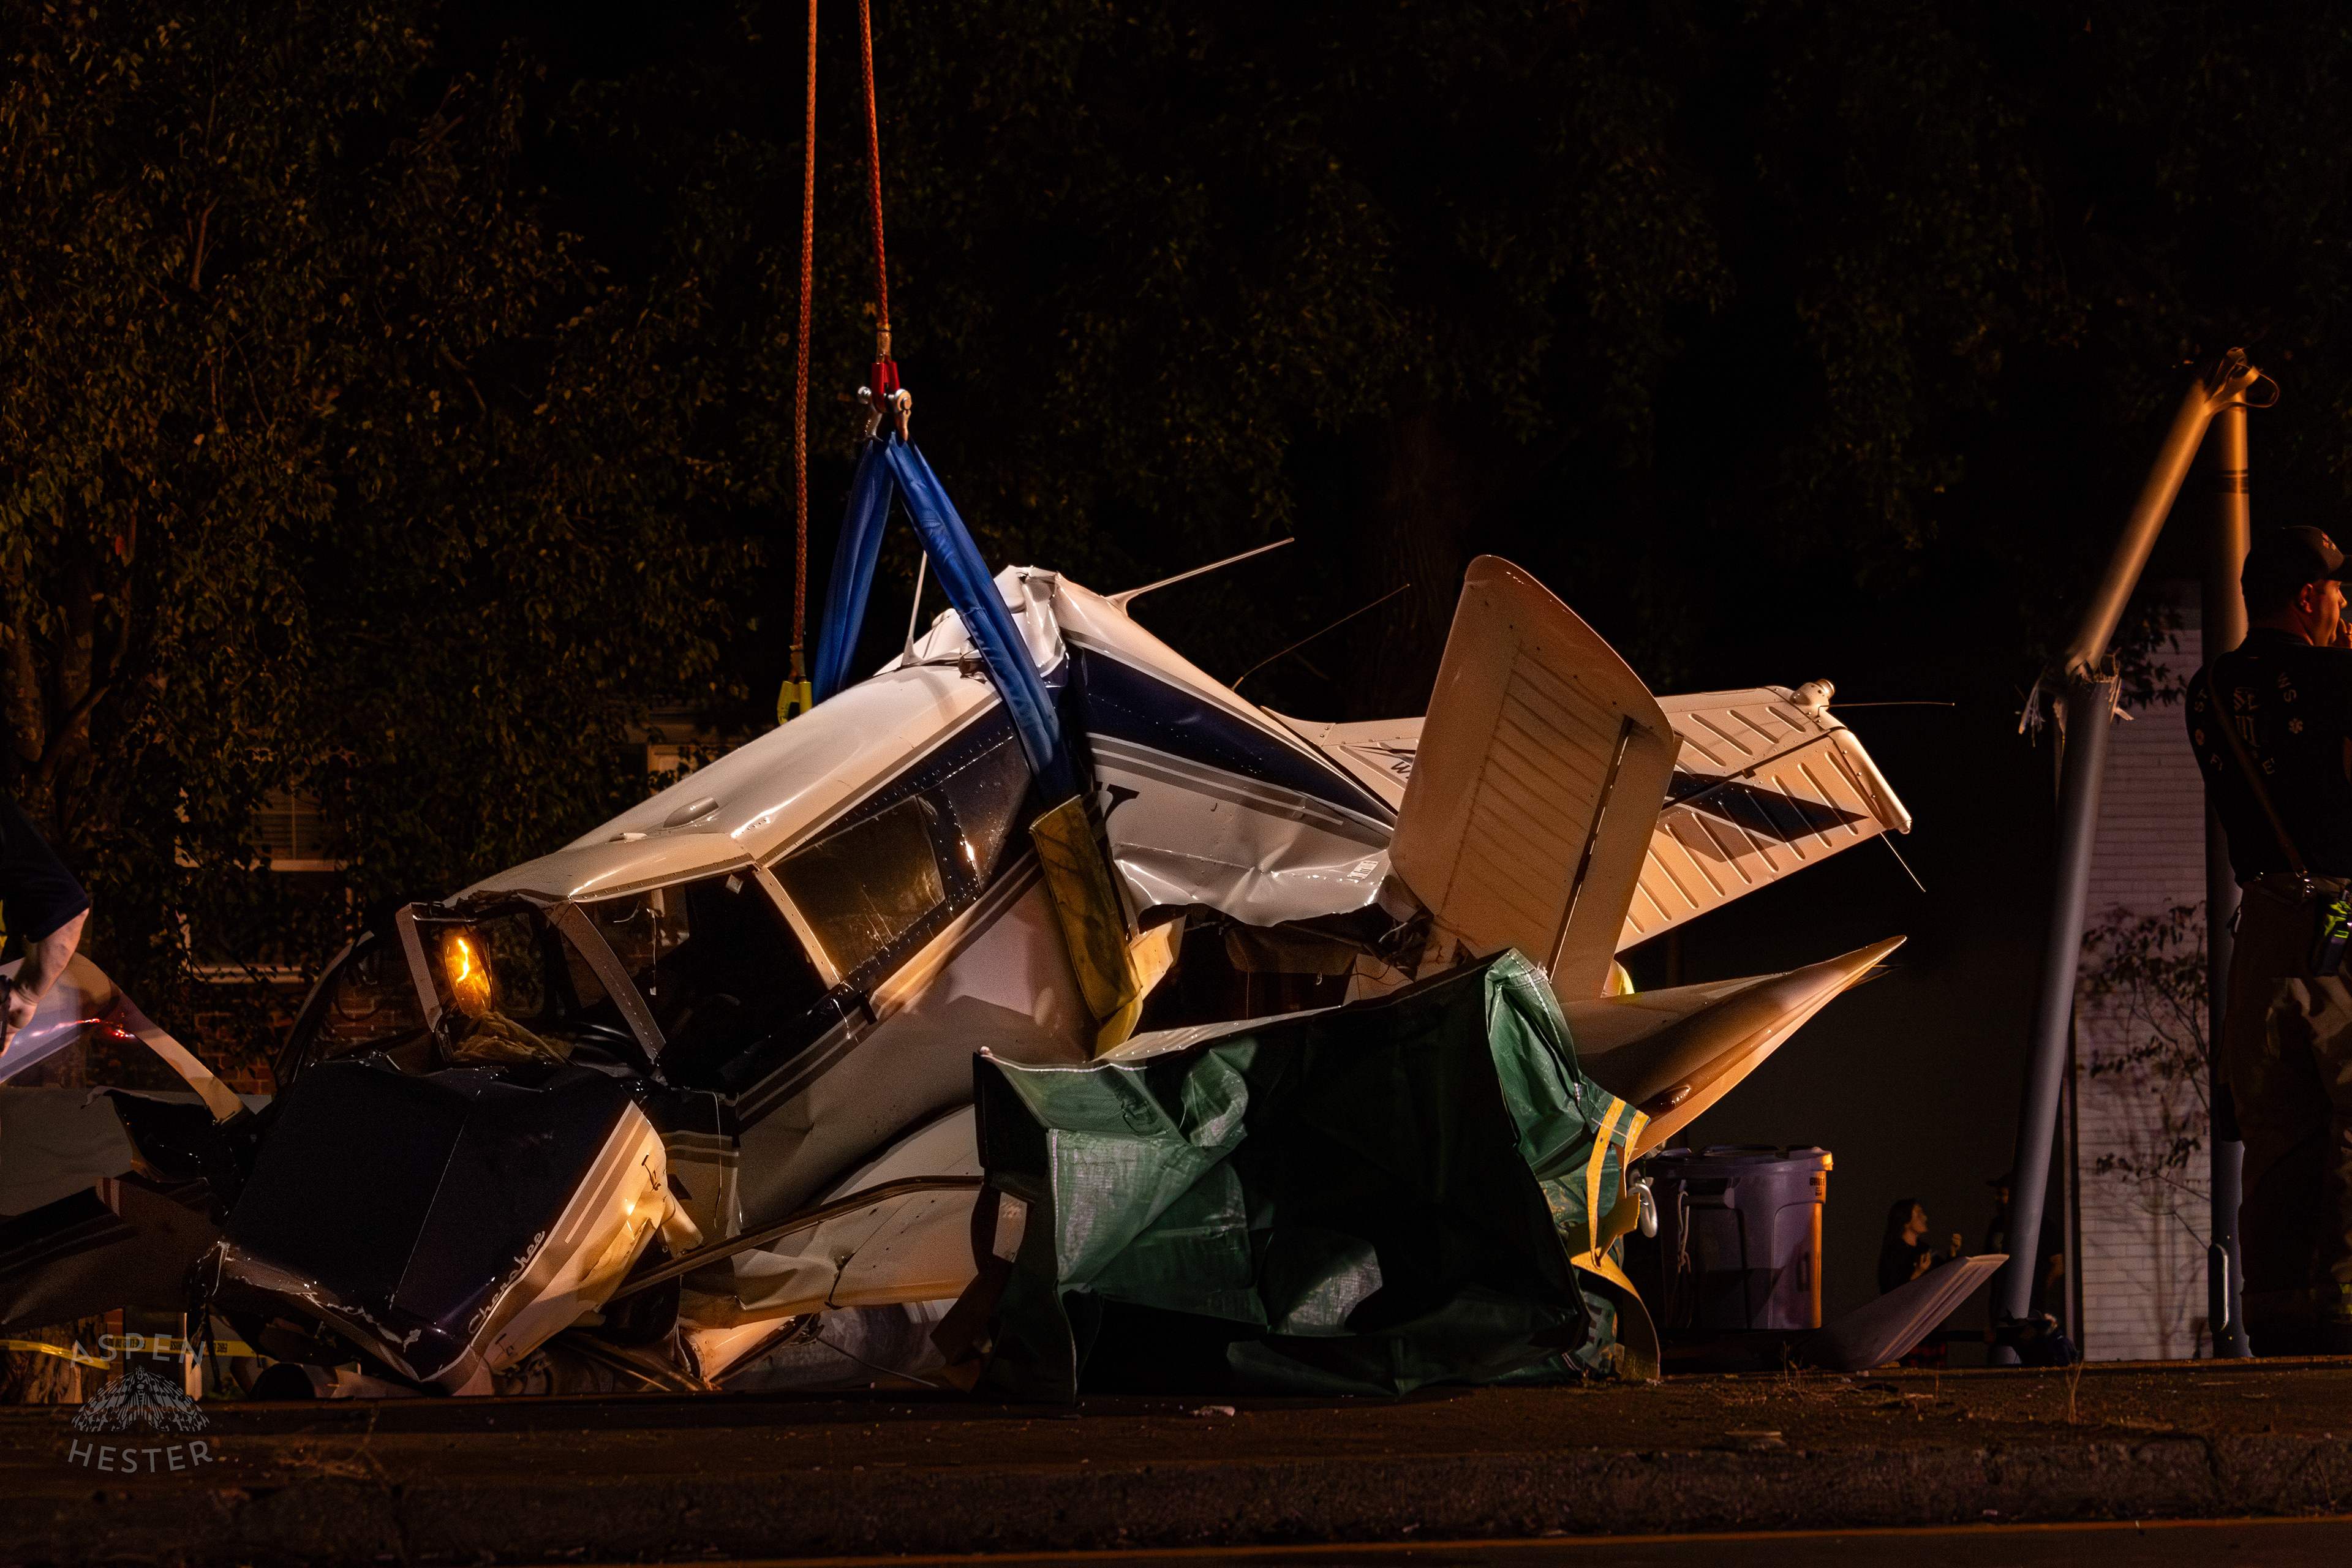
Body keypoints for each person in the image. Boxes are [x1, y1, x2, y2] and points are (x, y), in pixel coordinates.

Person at [2187, 525, 2352, 1354]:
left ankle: (2280, 1317)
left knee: (2280, 1127)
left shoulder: (2208, 690)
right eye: (2337, 591)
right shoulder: (2338, 677)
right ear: (2308, 597)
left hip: (2264, 928)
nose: (2344, 603)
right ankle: (2344, 1309)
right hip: (2341, 924)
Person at [1984, 1172, 2065, 1322]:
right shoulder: (1996, 1225)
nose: (1997, 1199)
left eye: (2002, 1194)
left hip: (2029, 1311)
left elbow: (2058, 1266)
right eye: (1997, 1194)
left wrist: (2035, 1292)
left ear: (2016, 1197)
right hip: (1999, 1309)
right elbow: (1987, 1262)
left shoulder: (2043, 1226)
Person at [1877, 1197, 1963, 1295]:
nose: (1925, 1217)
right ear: (1906, 1221)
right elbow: (1892, 1294)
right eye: (1918, 1214)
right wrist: (1918, 1272)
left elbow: (1944, 1273)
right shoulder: (1894, 1254)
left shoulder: (1923, 1248)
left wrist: (1953, 1252)